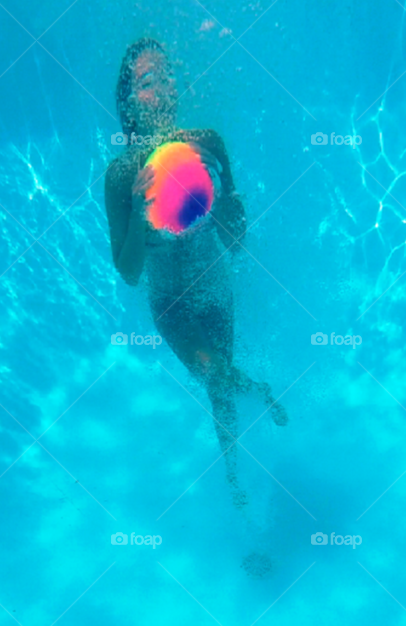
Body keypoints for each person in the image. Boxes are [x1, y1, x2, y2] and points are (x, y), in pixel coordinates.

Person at [105, 37, 287, 506]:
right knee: (214, 375)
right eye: (147, 82)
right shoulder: (123, 175)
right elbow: (128, 272)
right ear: (127, 101)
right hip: (169, 304)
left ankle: (238, 487)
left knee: (218, 392)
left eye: (168, 76)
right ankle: (258, 401)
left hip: (215, 289)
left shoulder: (207, 143)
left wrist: (222, 190)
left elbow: (236, 242)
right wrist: (136, 212)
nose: (163, 88)